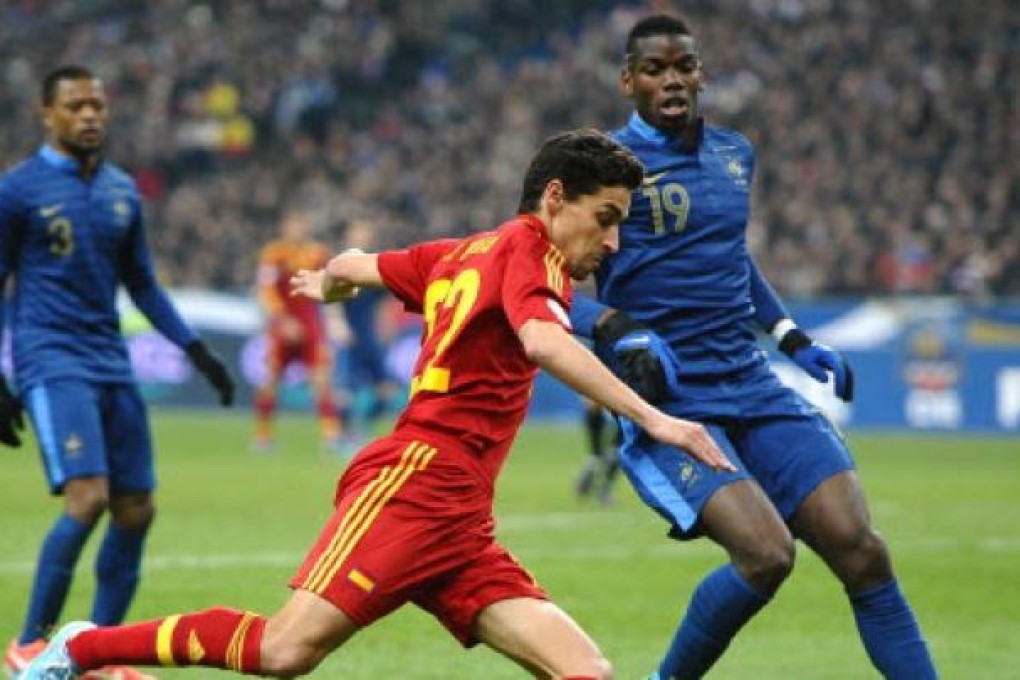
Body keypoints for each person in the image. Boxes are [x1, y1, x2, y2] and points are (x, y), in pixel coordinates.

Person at [23, 128, 735, 680]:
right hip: (415, 481)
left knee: (586, 670)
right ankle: (83, 647)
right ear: (555, 198)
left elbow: (359, 263)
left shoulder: (462, 251)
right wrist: (656, 419)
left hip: (459, 517)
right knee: (284, 650)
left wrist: (330, 284)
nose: (611, 243)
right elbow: (545, 342)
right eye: (605, 218)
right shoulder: (533, 256)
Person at [569, 16, 938, 679]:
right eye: (655, 68)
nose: (673, 78)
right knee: (767, 555)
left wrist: (792, 338)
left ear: (701, 73)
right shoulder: (599, 167)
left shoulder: (735, 153)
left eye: (685, 65)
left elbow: (730, 258)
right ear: (628, 81)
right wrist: (615, 327)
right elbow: (533, 281)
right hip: (671, 403)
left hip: (752, 383)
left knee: (861, 550)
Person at [0, 65, 235, 679]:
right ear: (45, 114)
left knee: (136, 509)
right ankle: (31, 641)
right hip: (51, 359)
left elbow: (143, 284)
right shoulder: (18, 190)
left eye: (97, 106)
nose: (89, 116)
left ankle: (98, 652)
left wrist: (196, 349)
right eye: (75, 106)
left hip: (110, 359)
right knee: (88, 497)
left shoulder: (121, 191)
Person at [254, 208, 345, 453]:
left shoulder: (318, 254)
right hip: (282, 326)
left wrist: (335, 320)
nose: (297, 230)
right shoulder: (273, 254)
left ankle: (332, 436)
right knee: (270, 380)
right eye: (293, 225)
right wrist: (282, 321)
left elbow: (332, 289)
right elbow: (265, 290)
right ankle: (263, 437)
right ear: (285, 228)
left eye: (301, 225)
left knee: (322, 380)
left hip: (310, 325)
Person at [334, 218, 398, 454]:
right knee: (345, 392)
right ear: (349, 238)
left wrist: (387, 327)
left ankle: (361, 431)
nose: (362, 238)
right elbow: (330, 301)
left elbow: (383, 303)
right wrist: (338, 325)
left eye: (365, 234)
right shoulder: (340, 266)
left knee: (386, 390)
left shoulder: (373, 265)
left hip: (370, 336)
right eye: (358, 234)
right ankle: (342, 437)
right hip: (350, 336)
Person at [573, 398, 621, 505]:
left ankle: (604, 489)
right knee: (598, 454)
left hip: (620, 412)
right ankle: (591, 475)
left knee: (616, 453)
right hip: (598, 411)